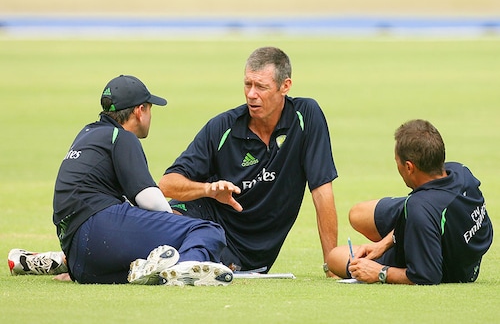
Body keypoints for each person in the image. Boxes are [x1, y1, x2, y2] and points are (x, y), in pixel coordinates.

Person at [9, 75, 233, 286]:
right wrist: (173, 225)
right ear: (140, 110)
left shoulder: (87, 133)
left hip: (80, 259)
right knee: (207, 231)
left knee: (142, 267)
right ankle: (187, 266)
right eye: (150, 109)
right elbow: (150, 201)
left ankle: (155, 268)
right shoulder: (121, 137)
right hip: (98, 227)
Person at [159, 46, 339, 275]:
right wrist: (208, 190)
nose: (251, 94)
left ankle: (181, 264)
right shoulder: (222, 127)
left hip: (249, 254)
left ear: (285, 86)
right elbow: (166, 184)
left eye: (261, 87)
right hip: (205, 219)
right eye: (248, 84)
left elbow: (322, 192)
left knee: (196, 255)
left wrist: (331, 266)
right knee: (166, 218)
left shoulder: (306, 117)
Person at [326, 119, 493, 285]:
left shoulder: (419, 209)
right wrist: (382, 245)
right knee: (358, 214)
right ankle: (398, 235)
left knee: (334, 257)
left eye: (396, 162)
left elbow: (427, 276)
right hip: (450, 238)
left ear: (409, 167)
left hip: (446, 266)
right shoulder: (460, 171)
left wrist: (379, 272)